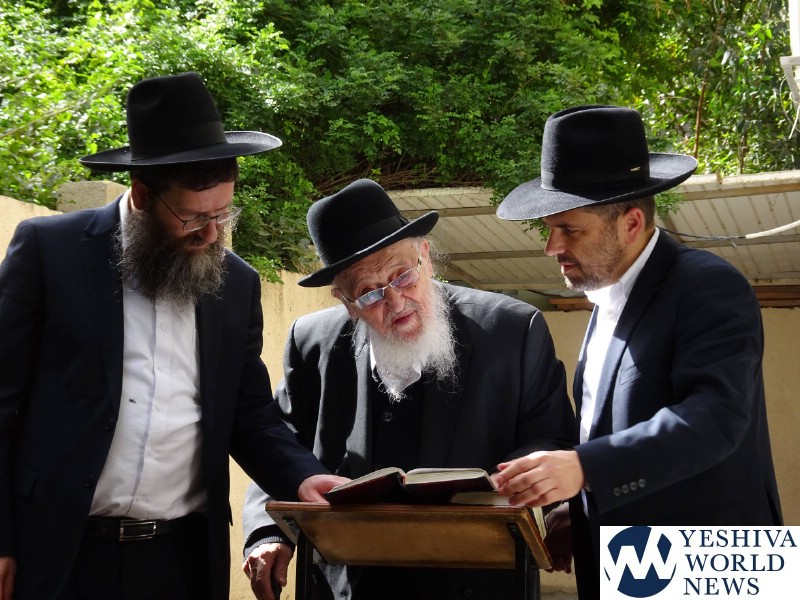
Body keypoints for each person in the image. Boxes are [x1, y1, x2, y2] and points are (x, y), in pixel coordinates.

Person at [0, 72, 347, 600]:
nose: (212, 233)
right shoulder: (51, 251)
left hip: (180, 561)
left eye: (223, 214)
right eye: (192, 217)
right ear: (142, 194)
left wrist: (301, 477)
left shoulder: (236, 283)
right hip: (59, 553)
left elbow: (249, 412)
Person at [492, 105, 783, 599]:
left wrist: (586, 468)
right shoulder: (608, 296)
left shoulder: (709, 285)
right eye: (549, 228)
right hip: (632, 566)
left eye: (569, 230)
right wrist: (583, 508)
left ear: (630, 224)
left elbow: (716, 417)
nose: (551, 247)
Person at [240, 178, 576, 600]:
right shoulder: (312, 342)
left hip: (476, 582)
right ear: (344, 301)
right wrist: (268, 532)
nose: (396, 302)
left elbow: (551, 438)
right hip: (347, 587)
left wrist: (509, 483)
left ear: (426, 257)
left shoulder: (511, 329)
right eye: (369, 294)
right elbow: (278, 445)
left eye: (402, 276)